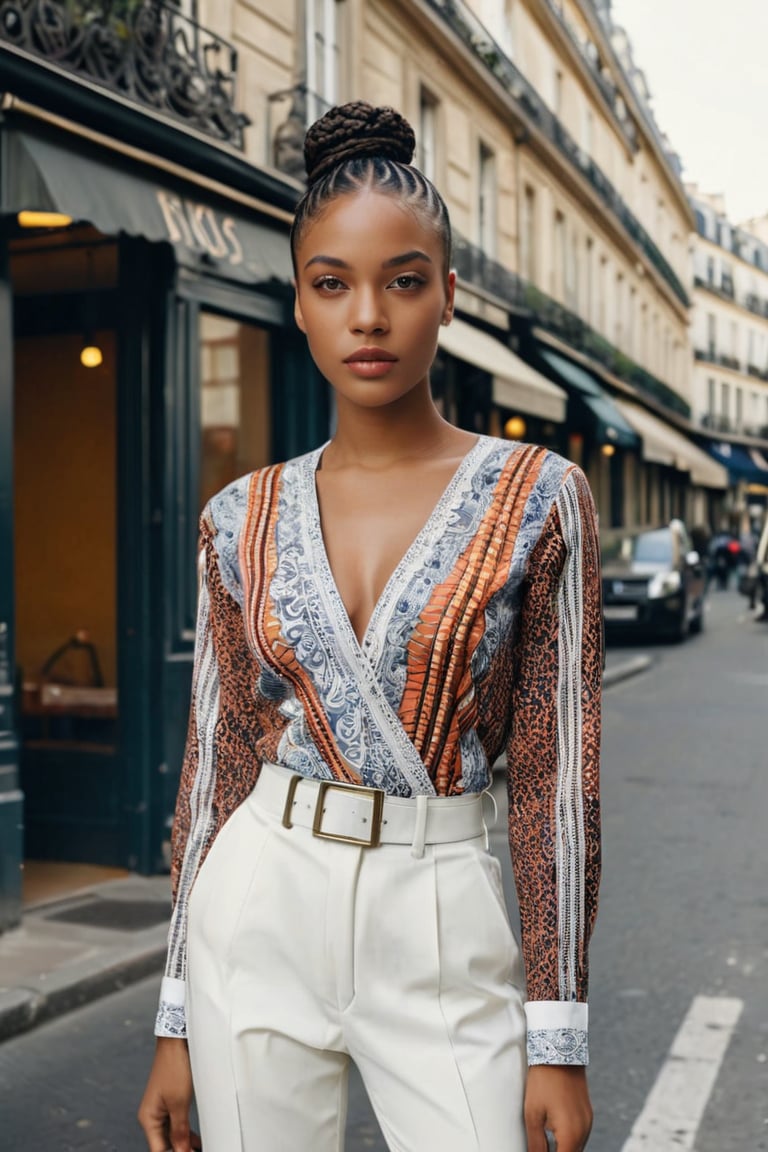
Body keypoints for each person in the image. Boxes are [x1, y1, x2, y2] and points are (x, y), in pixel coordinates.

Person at [138, 101, 602, 1152]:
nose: (368, 318)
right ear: (298, 303)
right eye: (331, 284)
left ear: (448, 294)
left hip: (440, 913)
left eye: (402, 280)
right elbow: (214, 768)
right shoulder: (236, 518)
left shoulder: (541, 494)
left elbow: (553, 775)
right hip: (257, 902)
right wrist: (173, 1017)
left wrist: (558, 1033)